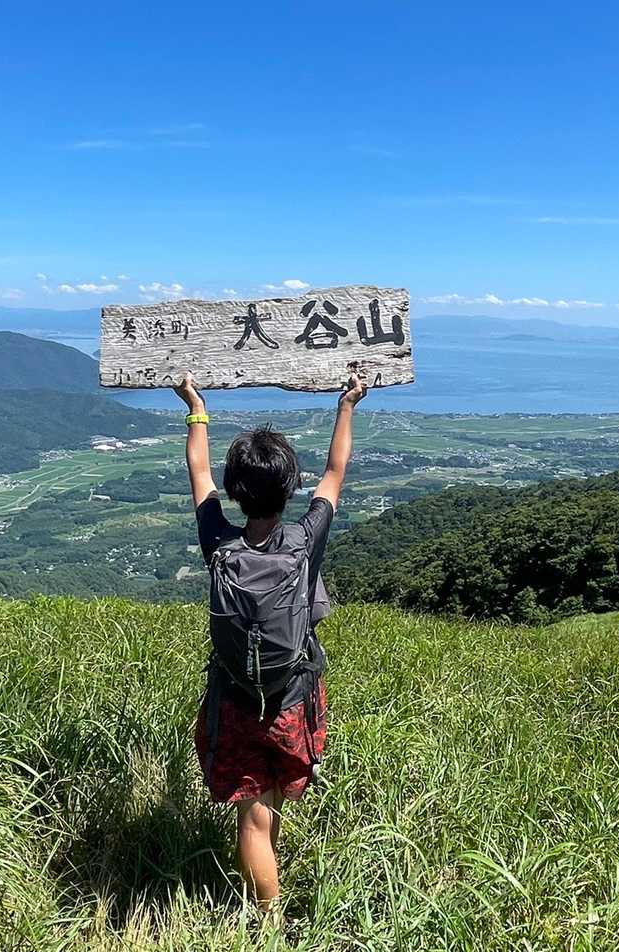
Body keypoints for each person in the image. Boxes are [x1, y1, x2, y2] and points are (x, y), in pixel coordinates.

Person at [173, 370, 368, 910]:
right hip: (292, 700)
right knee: (266, 809)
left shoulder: (219, 543)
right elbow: (335, 471)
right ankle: (269, 923)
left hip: (235, 701)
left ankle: (265, 911)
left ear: (235, 492)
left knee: (254, 815)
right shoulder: (304, 541)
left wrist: (196, 407)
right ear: (289, 488)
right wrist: (346, 406)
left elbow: (198, 472)